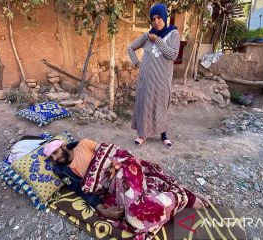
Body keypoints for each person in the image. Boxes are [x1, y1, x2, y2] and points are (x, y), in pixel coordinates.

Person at [44, 138, 211, 239]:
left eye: (55, 152)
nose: (55, 158)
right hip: (111, 188)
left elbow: (113, 152)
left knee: (138, 211)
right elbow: (82, 191)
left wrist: (114, 165)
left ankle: (183, 197)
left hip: (123, 170)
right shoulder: (63, 171)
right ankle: (173, 194)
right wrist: (101, 208)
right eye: (51, 157)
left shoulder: (83, 144)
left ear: (64, 146)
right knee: (135, 219)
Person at [128, 3, 180, 148]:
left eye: (159, 18)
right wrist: (138, 64)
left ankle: (163, 135)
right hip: (146, 79)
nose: (156, 22)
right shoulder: (147, 35)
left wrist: (156, 40)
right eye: (153, 19)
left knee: (161, 106)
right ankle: (142, 134)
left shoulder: (173, 34)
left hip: (162, 80)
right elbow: (130, 48)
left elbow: (173, 55)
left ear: (165, 17)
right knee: (145, 105)